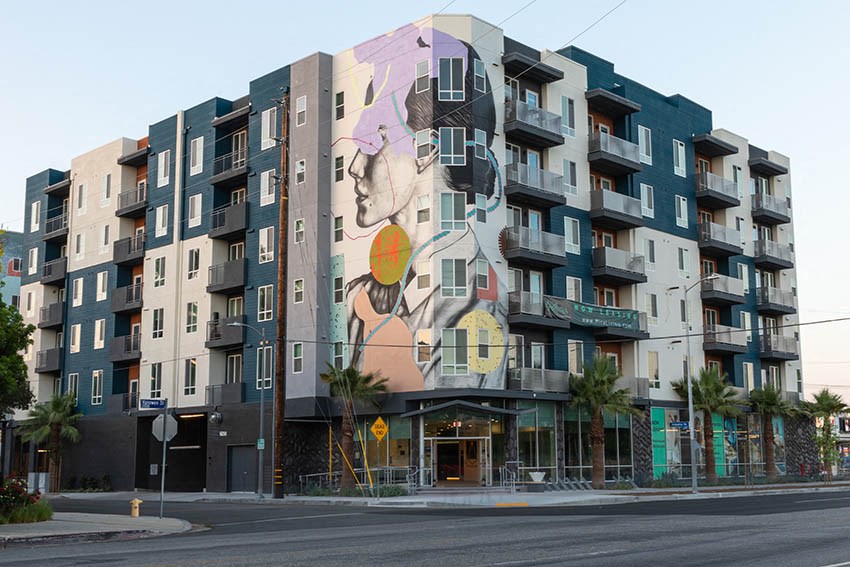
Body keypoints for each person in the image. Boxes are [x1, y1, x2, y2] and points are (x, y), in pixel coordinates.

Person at [334, 24, 507, 392]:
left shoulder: (480, 307)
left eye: (372, 141)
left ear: (427, 150)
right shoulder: (358, 295)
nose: (353, 167)